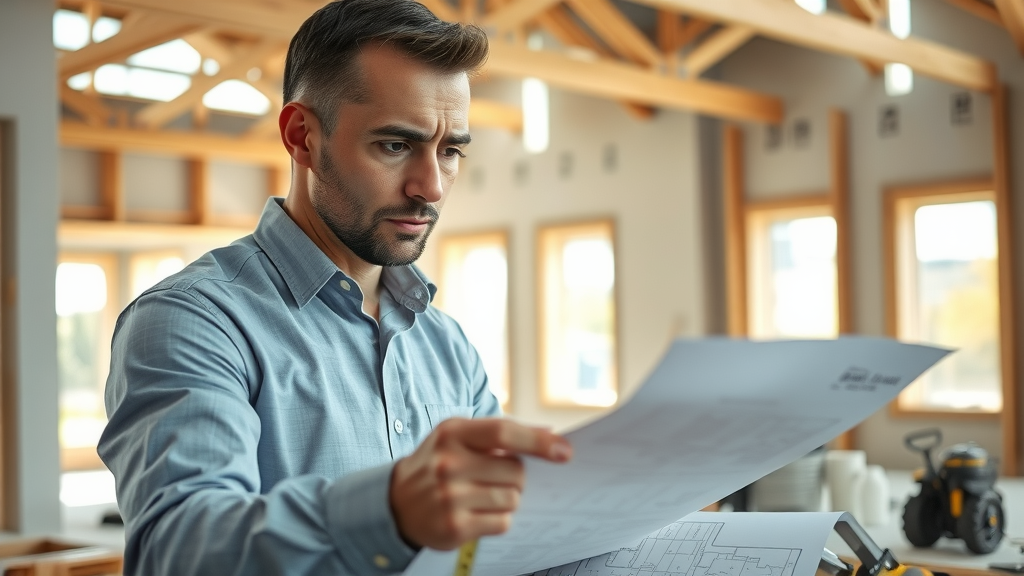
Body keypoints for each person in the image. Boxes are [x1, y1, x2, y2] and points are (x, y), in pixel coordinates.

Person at [98, 1, 572, 574]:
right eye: (396, 145)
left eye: (449, 151)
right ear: (302, 137)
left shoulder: (446, 344)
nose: (432, 187)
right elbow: (176, 550)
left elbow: (494, 539)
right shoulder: (191, 322)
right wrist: (389, 511)